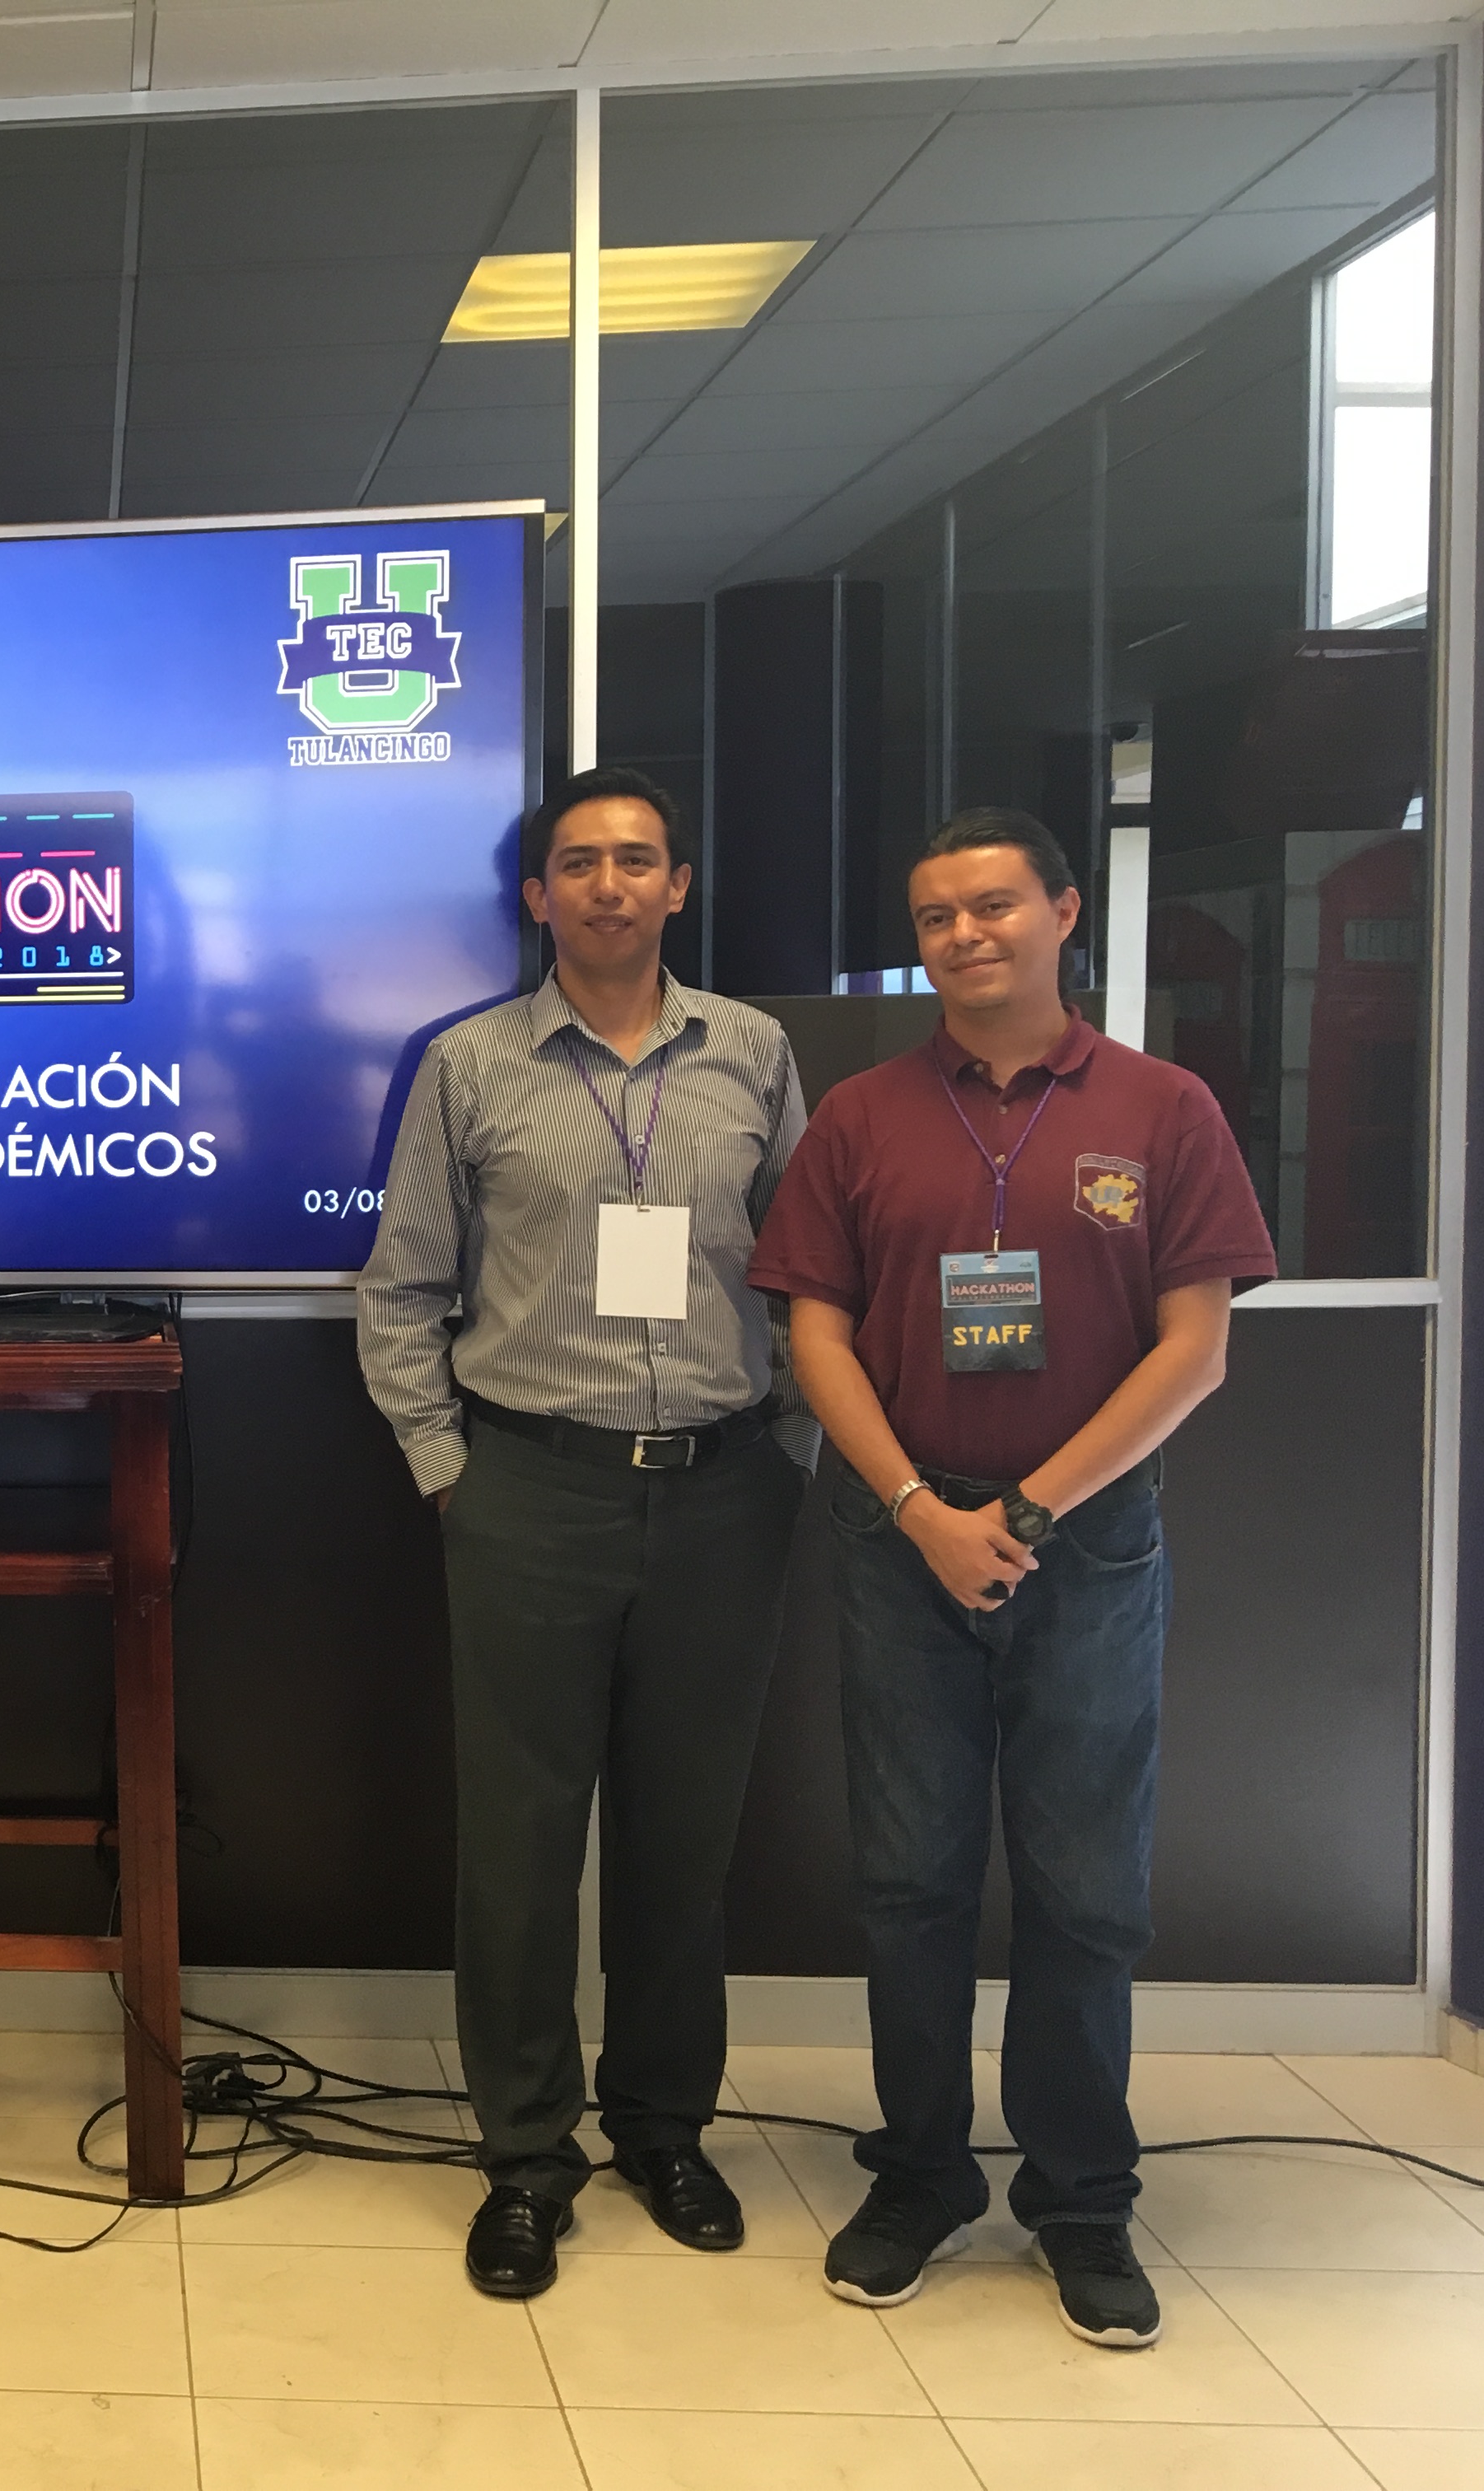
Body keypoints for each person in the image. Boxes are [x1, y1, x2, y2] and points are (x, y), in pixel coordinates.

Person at [751, 807, 1274, 2350]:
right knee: (909, 1883)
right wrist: (920, 1506)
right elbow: (815, 1336)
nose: (964, 935)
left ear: (1062, 913)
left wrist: (1032, 1510)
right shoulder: (863, 1117)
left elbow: (1197, 1347)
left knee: (1085, 1891)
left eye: (992, 906)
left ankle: (1082, 2199)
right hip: (898, 1537)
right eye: (936, 917)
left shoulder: (1164, 1108)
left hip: (1087, 1545)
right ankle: (918, 2174)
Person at [357, 765, 814, 2300]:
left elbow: (815, 1273)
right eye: (579, 862)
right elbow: (402, 1291)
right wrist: (448, 1467)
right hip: (530, 1489)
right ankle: (526, 2159)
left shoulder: (753, 1054)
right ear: (537, 895)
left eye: (637, 860)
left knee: (686, 1841)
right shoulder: (468, 1066)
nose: (609, 884)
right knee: (520, 1846)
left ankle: (665, 2131)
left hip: (725, 1493)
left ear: (677, 886)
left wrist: (795, 1445)